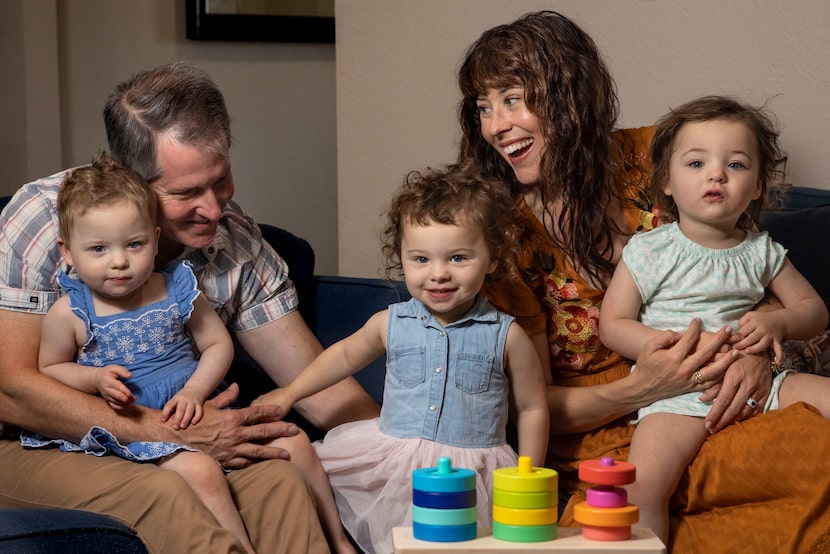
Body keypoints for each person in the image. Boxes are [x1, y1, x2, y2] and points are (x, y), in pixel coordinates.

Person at [457, 10, 830, 552]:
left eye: (513, 99)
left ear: (568, 94)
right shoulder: (502, 238)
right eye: (483, 108)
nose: (495, 126)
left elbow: (753, 278)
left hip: (728, 394)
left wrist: (756, 353)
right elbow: (534, 404)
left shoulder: (664, 157)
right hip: (612, 437)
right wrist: (644, 387)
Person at [0, 61, 378, 553]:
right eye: (185, 193)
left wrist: (398, 452)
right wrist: (168, 434)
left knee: (279, 482)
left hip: (180, 432)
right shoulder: (44, 223)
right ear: (130, 181)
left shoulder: (235, 242)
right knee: (167, 491)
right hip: (38, 441)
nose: (215, 209)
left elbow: (318, 383)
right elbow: (11, 389)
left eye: (220, 180)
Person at [256, 165, 550, 554]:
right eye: (421, 259)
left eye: (458, 257)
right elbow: (342, 356)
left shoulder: (507, 335)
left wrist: (527, 474)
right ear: (402, 258)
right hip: (393, 465)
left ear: (493, 259)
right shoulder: (388, 323)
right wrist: (289, 393)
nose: (439, 274)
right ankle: (337, 541)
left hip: (471, 475)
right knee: (299, 466)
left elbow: (531, 407)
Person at [599, 96, 830, 543]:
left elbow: (814, 310)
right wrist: (670, 347)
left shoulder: (761, 250)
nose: (716, 174)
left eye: (737, 164)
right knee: (640, 485)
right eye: (696, 162)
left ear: (759, 186)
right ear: (666, 181)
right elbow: (614, 323)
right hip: (681, 392)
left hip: (763, 384)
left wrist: (778, 324)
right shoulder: (649, 249)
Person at [21, 151, 256, 553]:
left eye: (134, 244)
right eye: (98, 249)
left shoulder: (177, 288)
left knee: (289, 455)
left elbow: (217, 344)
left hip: (187, 405)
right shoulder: (70, 312)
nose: (119, 262)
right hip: (128, 422)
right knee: (199, 470)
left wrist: (195, 392)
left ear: (155, 239)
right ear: (67, 252)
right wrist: (93, 378)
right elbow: (51, 368)